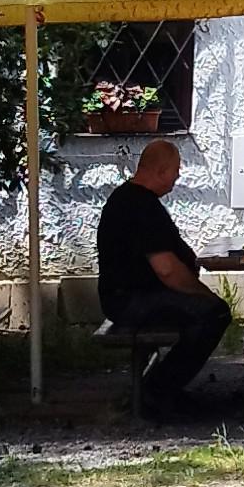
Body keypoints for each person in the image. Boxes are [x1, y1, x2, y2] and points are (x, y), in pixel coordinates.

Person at [94, 138, 228, 420]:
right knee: (213, 314)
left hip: (128, 297)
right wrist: (203, 294)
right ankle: (158, 391)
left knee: (206, 313)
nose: (177, 179)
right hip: (132, 300)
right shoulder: (140, 206)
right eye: (176, 171)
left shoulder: (132, 200)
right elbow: (167, 269)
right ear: (161, 170)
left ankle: (162, 387)